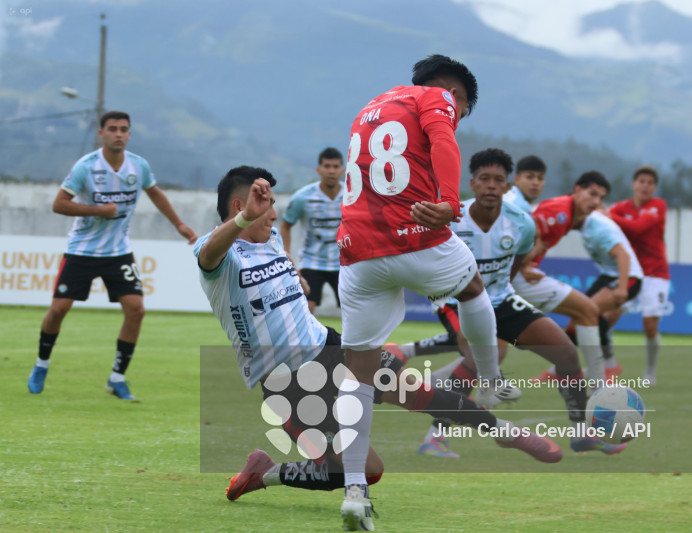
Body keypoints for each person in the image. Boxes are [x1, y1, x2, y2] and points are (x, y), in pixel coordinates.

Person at [194, 167, 562, 531]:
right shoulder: (218, 254)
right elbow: (209, 254)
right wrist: (246, 218)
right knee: (366, 471)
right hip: (286, 386)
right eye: (265, 205)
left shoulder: (271, 238)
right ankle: (265, 473)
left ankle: (504, 431)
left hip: (332, 349)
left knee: (422, 393)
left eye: (272, 203)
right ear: (241, 205)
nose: (273, 213)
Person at [336, 54, 509, 530]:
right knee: (473, 288)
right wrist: (451, 202)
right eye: (463, 108)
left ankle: (354, 491)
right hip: (413, 235)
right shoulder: (439, 98)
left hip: (356, 249)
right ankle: (490, 379)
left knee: (359, 376)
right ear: (455, 94)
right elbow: (444, 142)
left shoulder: (370, 106)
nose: (457, 115)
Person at [415, 149, 625, 458]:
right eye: (484, 179)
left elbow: (514, 265)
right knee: (479, 358)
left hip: (501, 301)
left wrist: (499, 293)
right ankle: (435, 437)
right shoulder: (453, 221)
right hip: (457, 302)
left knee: (565, 353)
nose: (491, 185)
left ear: (506, 185)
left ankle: (582, 433)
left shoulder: (521, 223)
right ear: (472, 183)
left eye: (498, 180)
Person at [26, 111, 197, 400]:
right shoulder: (87, 166)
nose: (119, 134)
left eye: (124, 129)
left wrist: (179, 225)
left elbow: (155, 193)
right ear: (101, 133)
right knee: (58, 309)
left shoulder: (138, 166)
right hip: (81, 251)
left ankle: (117, 378)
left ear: (129, 134)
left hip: (118, 253)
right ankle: (42, 363)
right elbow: (59, 204)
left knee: (136, 310)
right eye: (113, 129)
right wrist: (98, 211)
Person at [510, 171, 606, 383]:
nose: (596, 201)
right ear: (577, 190)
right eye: (592, 194)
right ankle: (598, 385)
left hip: (515, 275)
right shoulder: (560, 213)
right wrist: (525, 263)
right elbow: (523, 239)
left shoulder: (570, 212)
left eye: (601, 198)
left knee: (487, 345)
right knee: (588, 310)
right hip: (515, 278)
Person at [607, 166, 670, 384]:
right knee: (608, 317)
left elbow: (638, 228)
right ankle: (608, 365)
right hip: (631, 271)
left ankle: (650, 372)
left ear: (654, 187)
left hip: (655, 273)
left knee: (650, 325)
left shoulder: (658, 206)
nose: (645, 185)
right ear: (634, 184)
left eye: (650, 182)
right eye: (641, 181)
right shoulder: (620, 207)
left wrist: (608, 216)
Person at [572, 209, 644, 377]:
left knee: (587, 312)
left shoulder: (596, 227)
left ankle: (609, 365)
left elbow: (622, 255)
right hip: (608, 275)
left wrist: (622, 288)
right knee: (577, 315)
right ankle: (560, 369)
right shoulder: (588, 223)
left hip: (627, 276)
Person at [279, 147, 344, 314]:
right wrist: (286, 253)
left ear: (342, 170)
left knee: (352, 309)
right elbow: (286, 225)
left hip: (343, 262)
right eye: (327, 166)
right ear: (318, 170)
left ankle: (349, 341)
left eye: (336, 167)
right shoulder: (302, 197)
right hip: (312, 262)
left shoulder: (351, 195)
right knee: (307, 309)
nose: (331, 171)